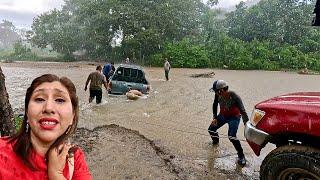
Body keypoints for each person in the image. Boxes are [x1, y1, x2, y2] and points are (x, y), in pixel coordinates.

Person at [0, 74, 92, 179]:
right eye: (39, 99)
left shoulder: (75, 158)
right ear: (27, 112)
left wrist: (56, 174)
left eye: (60, 100)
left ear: (72, 116)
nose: (48, 108)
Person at [208, 80, 249, 166]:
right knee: (211, 129)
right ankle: (215, 143)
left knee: (231, 136)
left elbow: (243, 111)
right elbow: (215, 104)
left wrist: (246, 125)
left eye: (216, 91)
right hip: (223, 115)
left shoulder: (235, 96)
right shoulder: (217, 95)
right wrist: (214, 117)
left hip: (234, 117)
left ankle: (241, 156)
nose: (216, 93)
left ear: (221, 91)